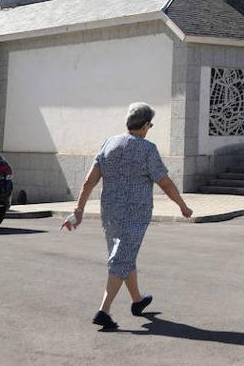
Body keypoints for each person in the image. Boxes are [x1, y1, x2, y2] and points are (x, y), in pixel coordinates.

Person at [64, 102, 193, 329]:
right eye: (150, 125)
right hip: (135, 215)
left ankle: (137, 300)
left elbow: (89, 181)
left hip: (110, 214)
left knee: (124, 256)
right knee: (121, 259)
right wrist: (182, 205)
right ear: (144, 126)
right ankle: (103, 311)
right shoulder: (147, 149)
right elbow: (165, 182)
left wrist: (79, 210)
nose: (149, 129)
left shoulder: (109, 143)